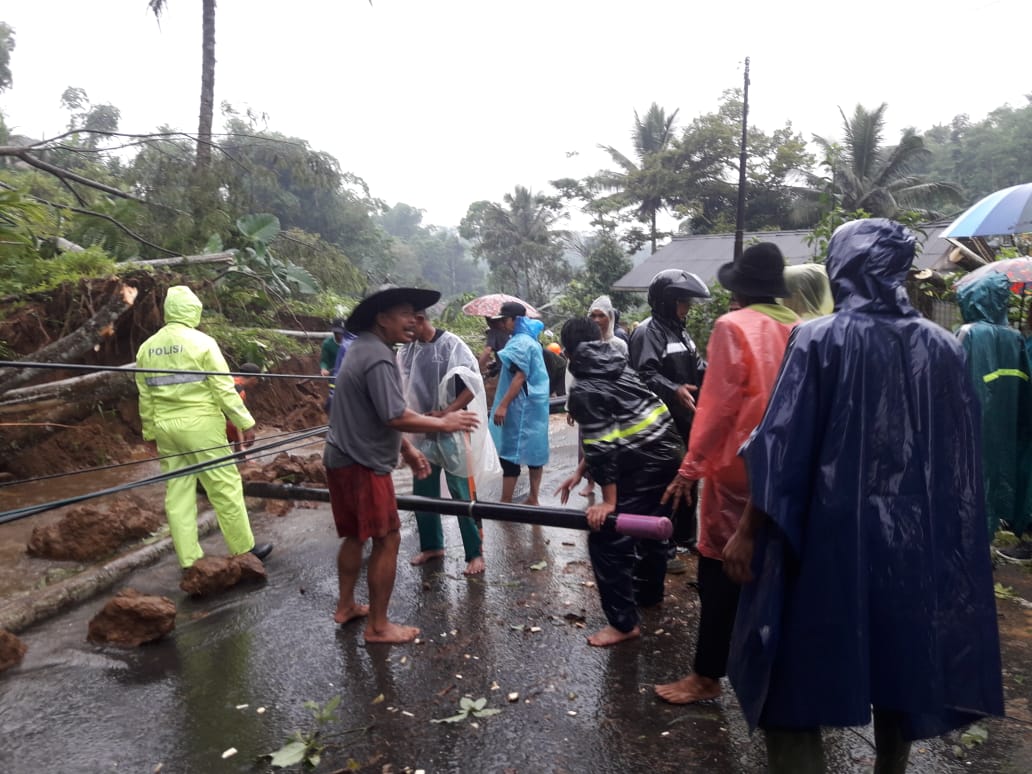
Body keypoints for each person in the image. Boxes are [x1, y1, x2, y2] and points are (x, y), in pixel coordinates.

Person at [723, 218, 1004, 773]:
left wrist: (748, 528)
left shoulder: (818, 337)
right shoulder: (945, 348)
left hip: (829, 540)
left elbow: (780, 445)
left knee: (792, 670)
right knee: (899, 659)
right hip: (914, 542)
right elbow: (961, 463)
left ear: (843, 265)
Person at [655, 243, 798, 705]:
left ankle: (707, 674)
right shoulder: (799, 327)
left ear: (738, 288)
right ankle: (777, 668)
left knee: (718, 567)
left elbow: (716, 408)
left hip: (735, 469)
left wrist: (690, 468)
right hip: (785, 467)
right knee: (776, 565)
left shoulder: (731, 326)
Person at [324, 285, 479, 643]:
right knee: (387, 537)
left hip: (340, 455)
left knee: (354, 535)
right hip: (361, 462)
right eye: (405, 314)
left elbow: (378, 411)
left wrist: (408, 452)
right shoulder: (378, 356)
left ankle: (346, 605)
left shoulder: (362, 348)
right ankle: (378, 626)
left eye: (416, 315)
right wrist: (443, 422)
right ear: (381, 318)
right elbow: (394, 415)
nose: (413, 321)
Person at [556, 317, 684, 646]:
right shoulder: (618, 363)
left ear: (568, 352)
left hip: (643, 461)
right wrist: (580, 471)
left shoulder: (584, 385)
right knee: (651, 526)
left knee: (606, 540)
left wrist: (609, 503)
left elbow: (602, 444)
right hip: (669, 452)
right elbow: (614, 429)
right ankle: (650, 595)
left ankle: (624, 624)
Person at [135, 285, 272, 569]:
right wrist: (245, 421)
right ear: (193, 310)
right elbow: (224, 389)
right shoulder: (202, 343)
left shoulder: (146, 349)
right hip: (200, 424)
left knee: (178, 492)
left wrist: (150, 433)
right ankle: (243, 548)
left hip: (165, 427)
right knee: (224, 485)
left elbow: (145, 396)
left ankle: (189, 559)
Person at [628, 269, 709, 572]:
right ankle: (664, 546)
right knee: (666, 481)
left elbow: (697, 365)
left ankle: (685, 537)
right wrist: (673, 389)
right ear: (666, 302)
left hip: (686, 419)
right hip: (660, 422)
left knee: (688, 476)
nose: (687, 308)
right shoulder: (649, 331)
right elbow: (643, 374)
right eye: (682, 302)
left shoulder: (680, 330)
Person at [397, 307, 486, 576]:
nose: (406, 334)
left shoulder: (452, 345)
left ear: (421, 320)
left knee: (461, 492)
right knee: (424, 490)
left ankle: (475, 553)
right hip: (421, 430)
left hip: (451, 431)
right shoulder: (406, 351)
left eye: (410, 327)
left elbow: (473, 385)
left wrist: (446, 413)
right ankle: (432, 545)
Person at [956, 271, 1032, 544]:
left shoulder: (970, 333)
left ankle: (972, 550)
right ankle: (985, 544)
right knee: (995, 483)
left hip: (971, 426)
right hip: (1005, 427)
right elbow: (1025, 389)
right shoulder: (1015, 339)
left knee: (971, 485)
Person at [489, 301, 550, 505]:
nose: (502, 324)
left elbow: (519, 377)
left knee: (510, 452)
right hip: (535, 405)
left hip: (520, 406)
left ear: (514, 320)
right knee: (535, 450)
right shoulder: (529, 340)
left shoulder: (519, 343)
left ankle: (506, 501)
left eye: (504, 319)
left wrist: (503, 405)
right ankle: (533, 497)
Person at [226, 362, 262, 455]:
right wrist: (242, 442)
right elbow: (236, 416)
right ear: (253, 379)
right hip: (220, 420)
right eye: (257, 379)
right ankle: (242, 459)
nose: (257, 383)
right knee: (245, 434)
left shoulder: (228, 380)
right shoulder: (239, 391)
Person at [323, 318, 356, 414]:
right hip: (334, 374)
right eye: (337, 333)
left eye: (342, 333)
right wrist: (324, 368)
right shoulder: (328, 344)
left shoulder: (352, 344)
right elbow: (324, 360)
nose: (339, 336)